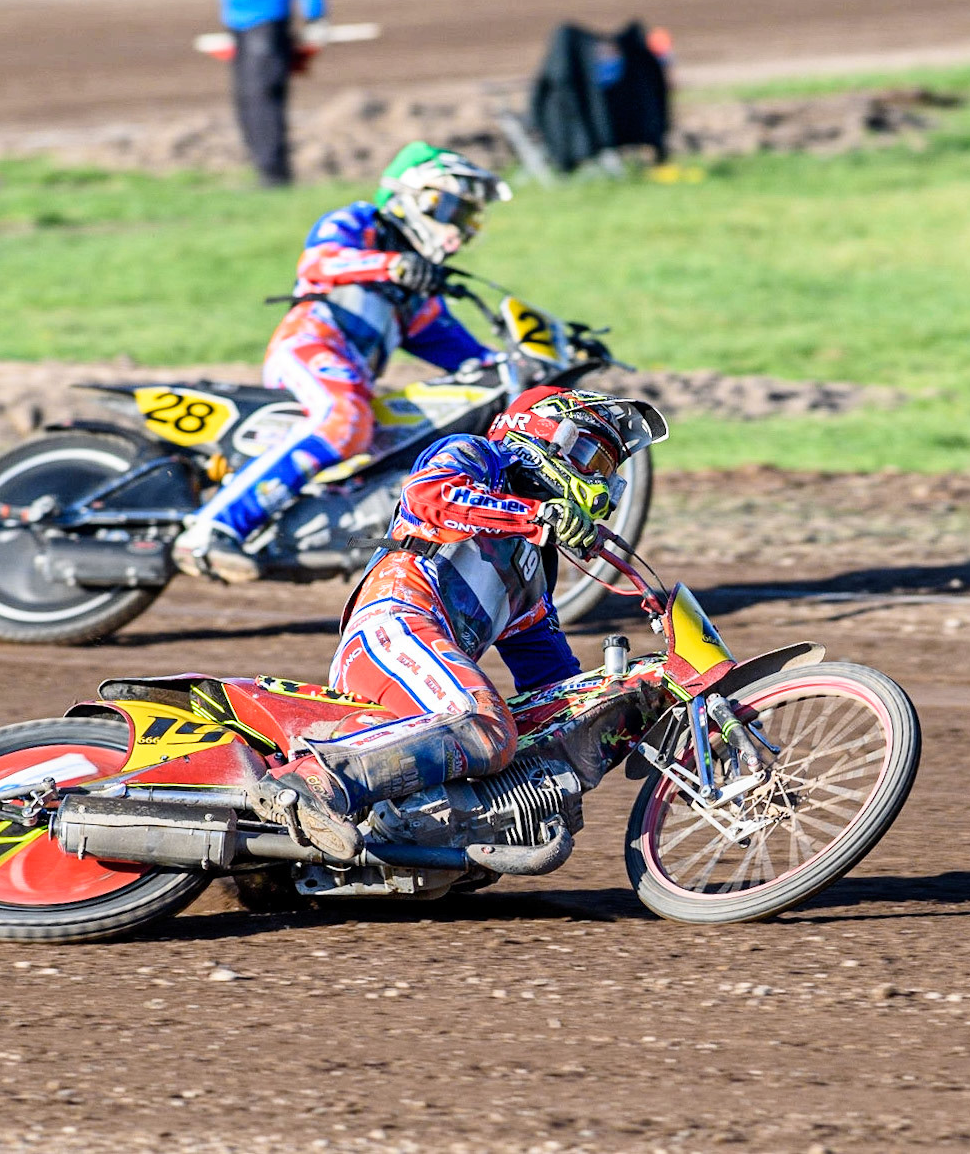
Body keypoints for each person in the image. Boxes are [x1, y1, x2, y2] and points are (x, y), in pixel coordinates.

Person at [245, 386, 669, 858]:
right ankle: (311, 784)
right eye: (592, 455)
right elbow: (428, 496)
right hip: (392, 626)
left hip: (425, 674)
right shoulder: (479, 456)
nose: (598, 477)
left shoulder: (533, 568)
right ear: (545, 434)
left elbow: (552, 681)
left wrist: (624, 702)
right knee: (485, 724)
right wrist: (536, 514)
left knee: (526, 742)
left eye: (609, 470)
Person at [173, 142, 514, 583]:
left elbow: (465, 355)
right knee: (345, 419)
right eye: (455, 210)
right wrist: (393, 266)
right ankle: (210, 530)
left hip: (349, 372)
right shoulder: (358, 221)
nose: (461, 228)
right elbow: (321, 259)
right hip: (309, 346)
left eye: (471, 218)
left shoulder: (416, 296)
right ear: (418, 195)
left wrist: (527, 366)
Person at [216, 0, 326, 187]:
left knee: (263, 98)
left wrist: (315, 13)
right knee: (247, 99)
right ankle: (263, 171)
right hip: (237, 20)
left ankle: (275, 174)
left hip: (267, 17)